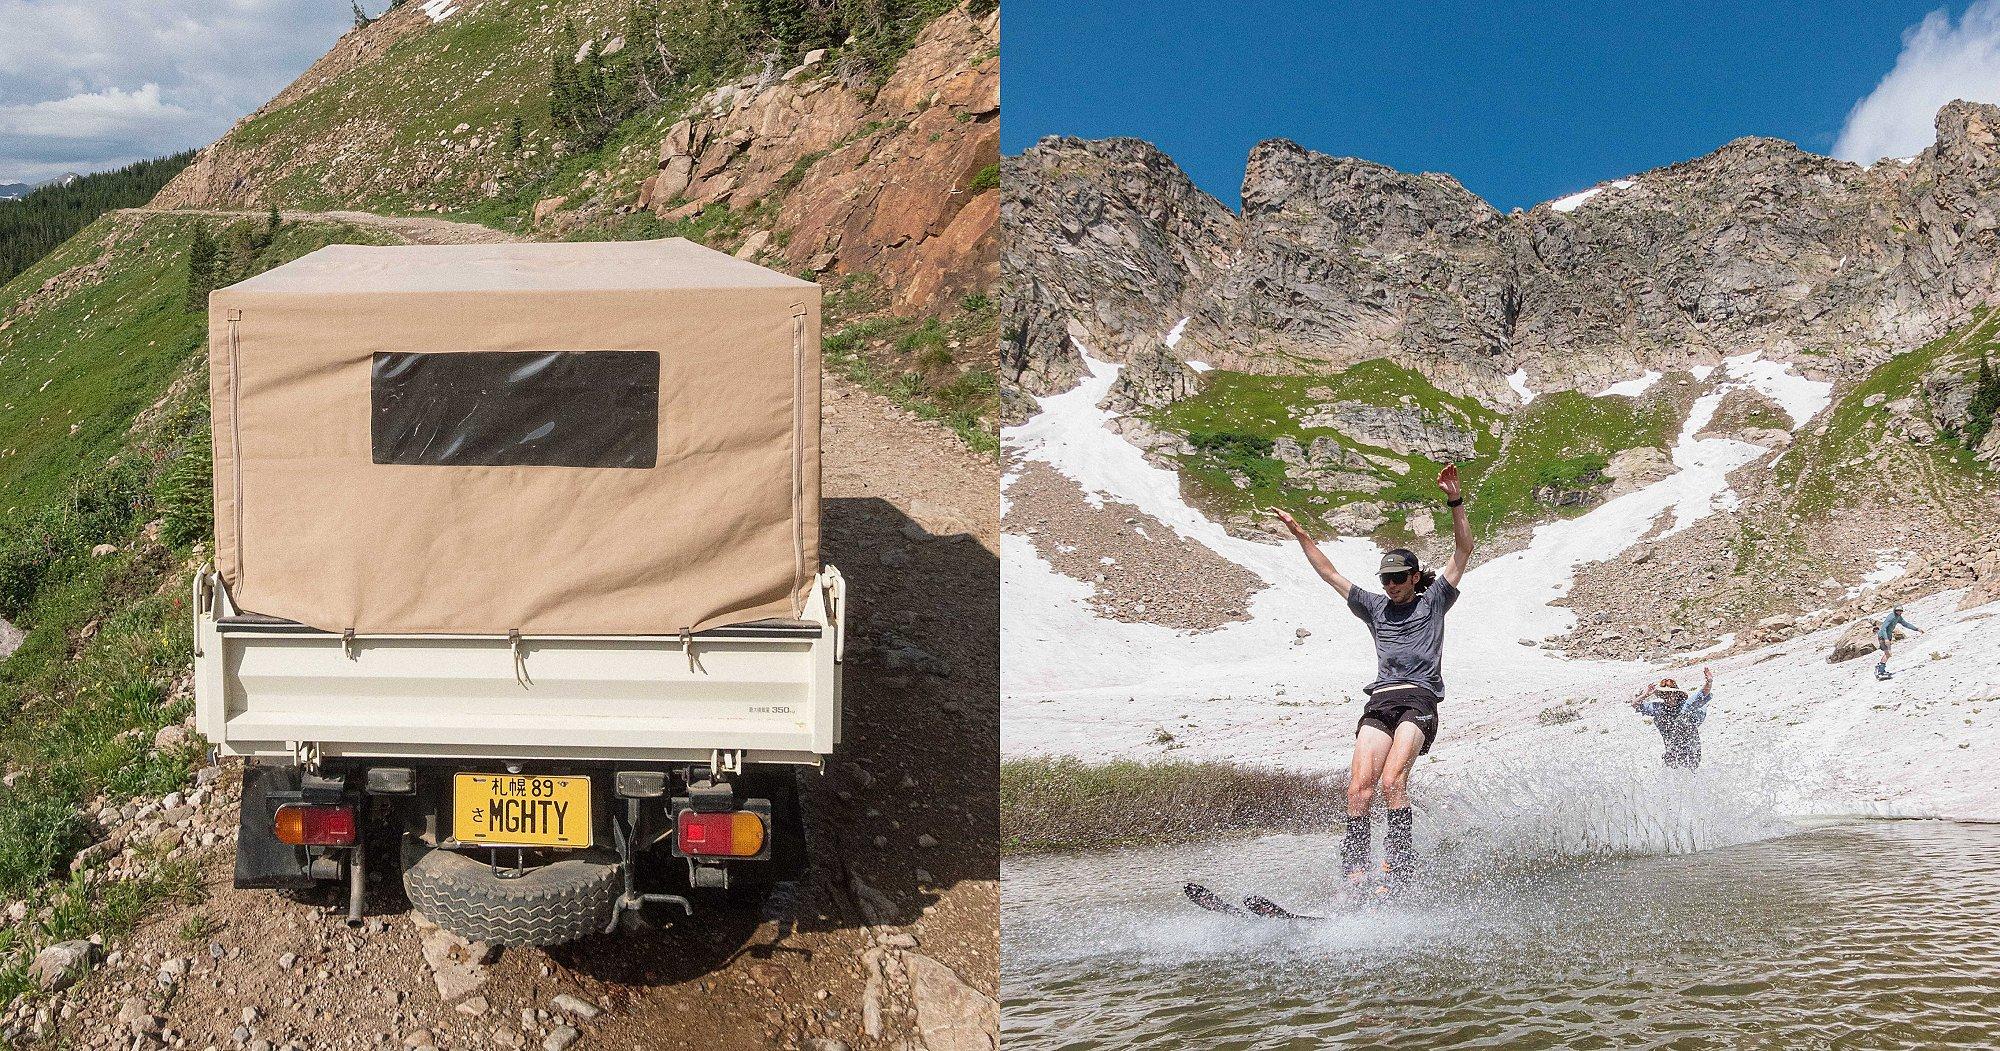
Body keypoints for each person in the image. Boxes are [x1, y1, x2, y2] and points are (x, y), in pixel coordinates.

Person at [1273, 464, 1472, 891]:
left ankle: (1397, 871)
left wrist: (1454, 500)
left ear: (1414, 577)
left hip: (1419, 700)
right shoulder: (1374, 607)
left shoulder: (1434, 601)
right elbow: (1330, 574)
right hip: (1381, 700)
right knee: (1359, 790)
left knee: (1392, 781)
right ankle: (1355, 876)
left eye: (1398, 579)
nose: (1391, 586)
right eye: (1386, 579)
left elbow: (1463, 551)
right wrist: (1300, 534)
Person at [1631, 667, 1714, 769]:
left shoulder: (1686, 705)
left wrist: (1709, 682)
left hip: (1691, 747)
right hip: (1671, 749)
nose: (1667, 696)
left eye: (1670, 693)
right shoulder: (1658, 708)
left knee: (1689, 771)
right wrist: (1645, 695)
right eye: (1664, 694)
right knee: (1672, 770)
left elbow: (1703, 693)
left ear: (1676, 694)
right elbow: (1635, 705)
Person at [1875, 606, 1922, 681]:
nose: (1899, 612)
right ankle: (1880, 671)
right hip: (1883, 636)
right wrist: (1886, 639)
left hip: (1888, 636)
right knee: (1888, 653)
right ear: (1895, 610)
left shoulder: (1898, 617)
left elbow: (1906, 624)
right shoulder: (1891, 617)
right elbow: (1883, 628)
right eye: (1898, 610)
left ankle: (1880, 669)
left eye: (1901, 611)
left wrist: (1916, 629)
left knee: (1888, 654)